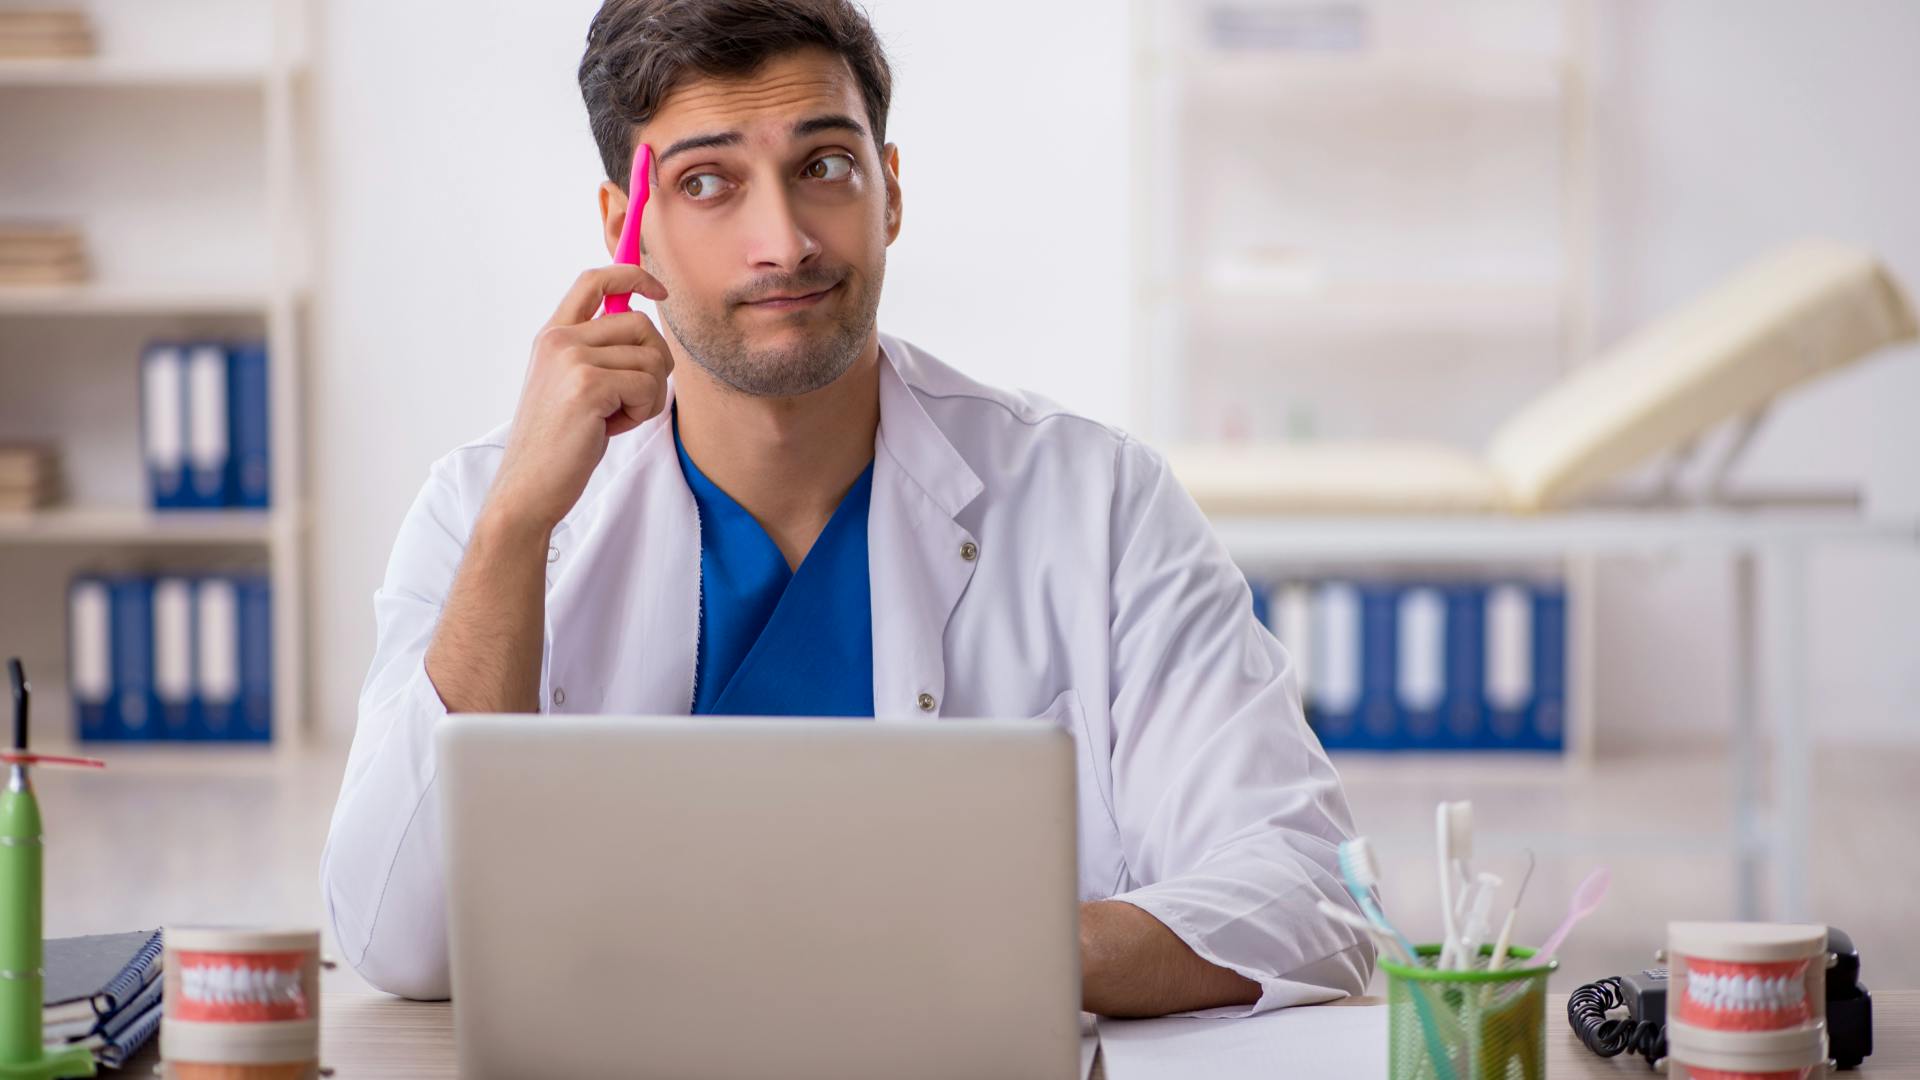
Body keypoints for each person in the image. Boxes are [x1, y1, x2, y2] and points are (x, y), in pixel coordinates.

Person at [321, 0, 1374, 1018]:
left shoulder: (1095, 502)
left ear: (890, 193)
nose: (782, 242)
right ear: (624, 226)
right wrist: (516, 529)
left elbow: (1310, 892)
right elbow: (400, 939)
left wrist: (948, 952)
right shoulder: (488, 508)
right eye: (706, 183)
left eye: (824, 166)